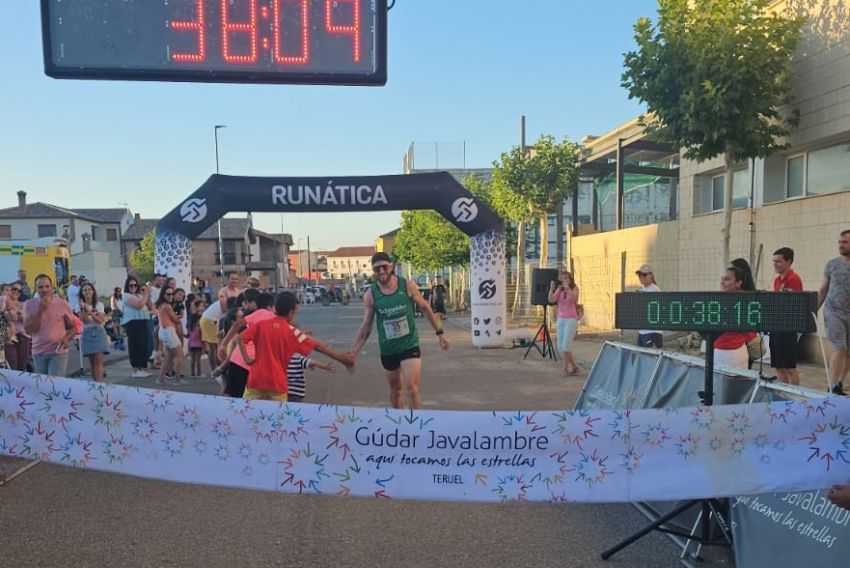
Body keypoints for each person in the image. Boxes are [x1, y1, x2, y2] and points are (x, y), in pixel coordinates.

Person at [350, 252, 449, 409]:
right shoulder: (371, 295)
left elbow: (425, 307)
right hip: (388, 349)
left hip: (409, 344)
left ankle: (416, 426)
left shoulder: (406, 285)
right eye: (377, 269)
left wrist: (440, 333)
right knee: (396, 391)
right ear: (373, 271)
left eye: (384, 267)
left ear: (391, 267)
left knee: (412, 388)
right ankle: (399, 424)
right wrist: (353, 352)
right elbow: (366, 326)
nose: (381, 271)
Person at [238, 292, 354, 402]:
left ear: (275, 308)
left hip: (256, 379)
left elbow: (240, 338)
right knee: (280, 418)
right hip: (276, 383)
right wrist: (343, 359)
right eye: (296, 310)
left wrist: (247, 359)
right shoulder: (291, 332)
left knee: (246, 412)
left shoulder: (261, 325)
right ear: (291, 311)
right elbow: (316, 346)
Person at [218, 291, 270, 397]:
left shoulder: (251, 316)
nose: (244, 306)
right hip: (251, 363)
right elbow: (238, 336)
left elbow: (237, 331)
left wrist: (223, 344)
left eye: (245, 303)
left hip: (240, 362)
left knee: (235, 398)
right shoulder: (266, 315)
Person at [23, 274, 76, 376]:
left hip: (58, 351)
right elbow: (29, 329)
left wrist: (66, 338)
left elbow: (73, 328)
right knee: (43, 386)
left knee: (54, 385)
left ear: (52, 287)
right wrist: (40, 310)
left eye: (47, 286)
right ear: (35, 289)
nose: (44, 290)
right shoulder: (29, 304)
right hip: (38, 352)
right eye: (41, 287)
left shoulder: (62, 304)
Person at [818, 229, 850, 396]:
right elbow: (823, 289)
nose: (841, 245)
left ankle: (838, 383)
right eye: (840, 242)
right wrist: (813, 310)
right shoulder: (832, 264)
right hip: (833, 312)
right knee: (840, 347)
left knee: (848, 352)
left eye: (845, 242)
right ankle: (832, 386)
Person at [770, 247, 803, 385]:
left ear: (788, 261)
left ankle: (793, 394)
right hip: (777, 326)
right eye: (774, 261)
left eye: (779, 261)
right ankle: (782, 392)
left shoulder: (794, 279)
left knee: (789, 367)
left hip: (788, 327)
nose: (775, 264)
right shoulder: (777, 280)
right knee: (778, 365)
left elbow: (793, 305)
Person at [714, 265, 758, 369]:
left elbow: (751, 329)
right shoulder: (718, 300)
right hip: (728, 351)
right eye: (722, 279)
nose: (722, 282)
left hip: (730, 353)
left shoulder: (743, 301)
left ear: (738, 283)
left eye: (727, 279)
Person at [548, 271, 584, 376]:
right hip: (561, 319)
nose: (564, 280)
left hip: (571, 319)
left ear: (570, 279)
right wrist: (551, 289)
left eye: (566, 278)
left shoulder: (574, 289)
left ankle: (565, 368)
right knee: (560, 347)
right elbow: (551, 300)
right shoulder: (560, 290)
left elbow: (574, 299)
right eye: (562, 278)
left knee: (566, 346)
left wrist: (567, 288)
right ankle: (576, 367)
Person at [121, 276, 152, 378]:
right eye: (131, 285)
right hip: (133, 322)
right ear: (127, 286)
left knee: (143, 345)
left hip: (143, 321)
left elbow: (149, 305)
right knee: (135, 346)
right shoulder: (126, 295)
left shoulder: (139, 295)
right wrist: (146, 295)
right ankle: (135, 369)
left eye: (135, 285)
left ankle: (142, 368)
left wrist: (146, 294)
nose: (133, 287)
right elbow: (139, 305)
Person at [78, 281, 109, 382]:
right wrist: (83, 309)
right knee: (91, 362)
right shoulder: (79, 306)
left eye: (89, 289)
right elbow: (85, 321)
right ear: (82, 292)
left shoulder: (99, 304)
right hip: (87, 332)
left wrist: (90, 311)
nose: (87, 292)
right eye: (85, 290)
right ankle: (95, 384)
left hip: (98, 332)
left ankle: (100, 385)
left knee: (99, 360)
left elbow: (100, 321)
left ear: (93, 292)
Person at [155, 286, 186, 386]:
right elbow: (175, 319)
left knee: (168, 356)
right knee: (179, 355)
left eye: (172, 294)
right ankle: (177, 380)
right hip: (169, 331)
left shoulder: (161, 305)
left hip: (164, 331)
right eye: (168, 294)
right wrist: (178, 318)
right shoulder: (167, 306)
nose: (170, 296)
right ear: (163, 295)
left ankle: (160, 379)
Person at [3, 282, 31, 371]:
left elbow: (26, 318)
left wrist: (16, 313)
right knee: (12, 368)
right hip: (9, 338)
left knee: (22, 368)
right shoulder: (3, 301)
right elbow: (10, 318)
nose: (16, 291)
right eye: (14, 289)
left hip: (23, 338)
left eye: (19, 290)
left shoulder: (24, 304)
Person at [635, 263, 662, 348]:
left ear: (651, 275)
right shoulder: (643, 289)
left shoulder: (655, 290)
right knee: (642, 356)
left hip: (652, 331)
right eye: (639, 275)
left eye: (644, 275)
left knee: (650, 357)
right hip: (643, 330)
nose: (641, 277)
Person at [186, 298, 204, 377]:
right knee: (198, 360)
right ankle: (199, 373)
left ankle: (192, 373)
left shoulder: (191, 328)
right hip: (199, 345)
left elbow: (188, 336)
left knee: (192, 360)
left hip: (191, 345)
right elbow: (202, 336)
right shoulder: (199, 328)